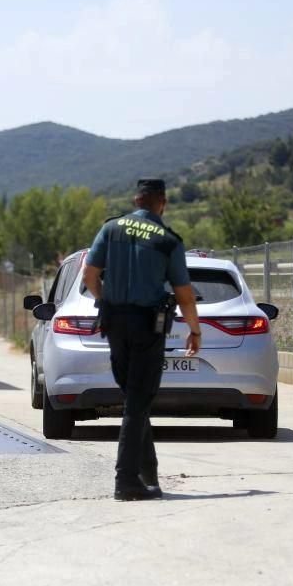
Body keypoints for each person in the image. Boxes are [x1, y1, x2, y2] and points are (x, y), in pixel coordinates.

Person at [82, 179, 202, 500]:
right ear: (162, 203)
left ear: (136, 200)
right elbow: (185, 296)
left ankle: (149, 473)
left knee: (135, 400)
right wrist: (195, 330)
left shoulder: (111, 229)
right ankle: (126, 481)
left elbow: (89, 276)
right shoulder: (168, 241)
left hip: (114, 324)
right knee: (137, 402)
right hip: (147, 327)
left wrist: (104, 300)